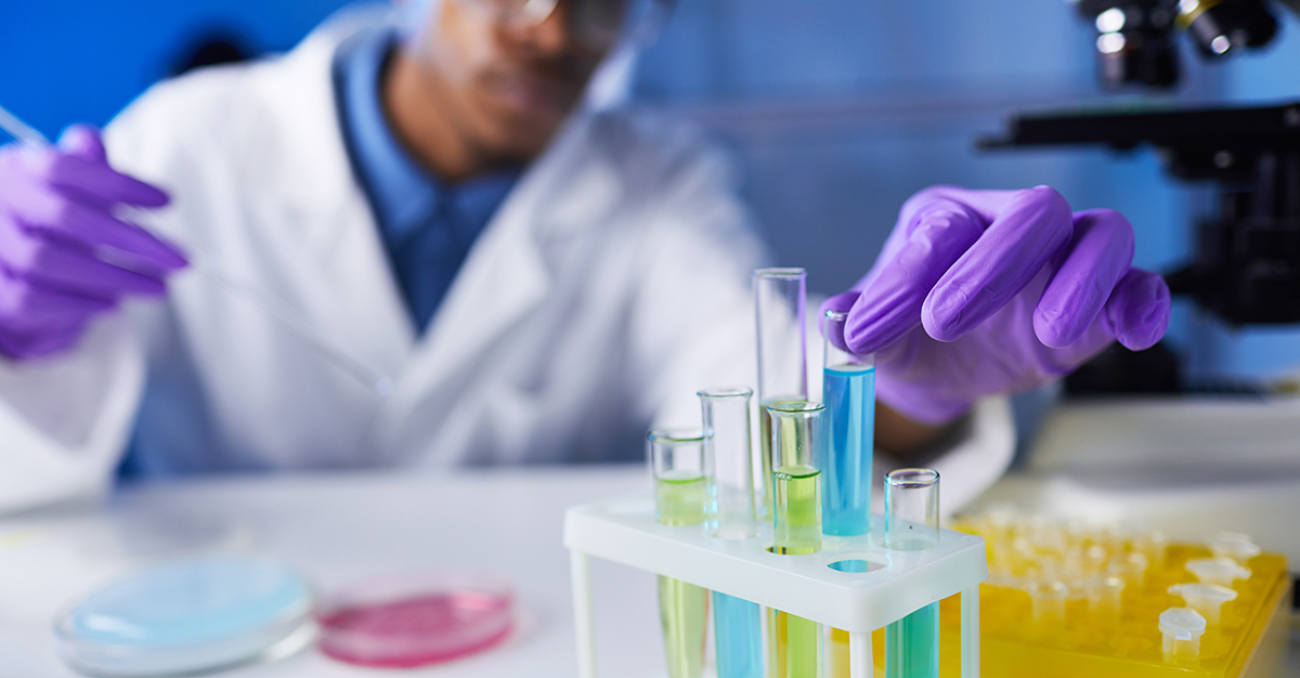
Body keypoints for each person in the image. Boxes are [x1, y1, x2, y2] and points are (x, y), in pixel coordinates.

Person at [0, 0, 1169, 513]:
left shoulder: (656, 180)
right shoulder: (190, 137)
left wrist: (907, 391)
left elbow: (754, 396)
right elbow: (35, 460)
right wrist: (10, 331)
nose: (554, 26)